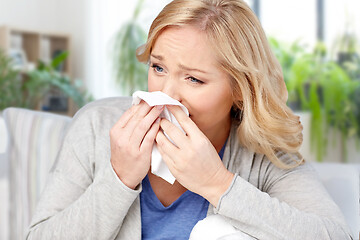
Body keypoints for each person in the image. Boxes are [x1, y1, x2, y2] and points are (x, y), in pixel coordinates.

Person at [27, 0, 352, 239]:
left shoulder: (264, 154)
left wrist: (217, 184)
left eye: (193, 79)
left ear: (239, 90)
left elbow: (336, 235)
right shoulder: (97, 125)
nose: (167, 93)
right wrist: (119, 178)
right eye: (158, 67)